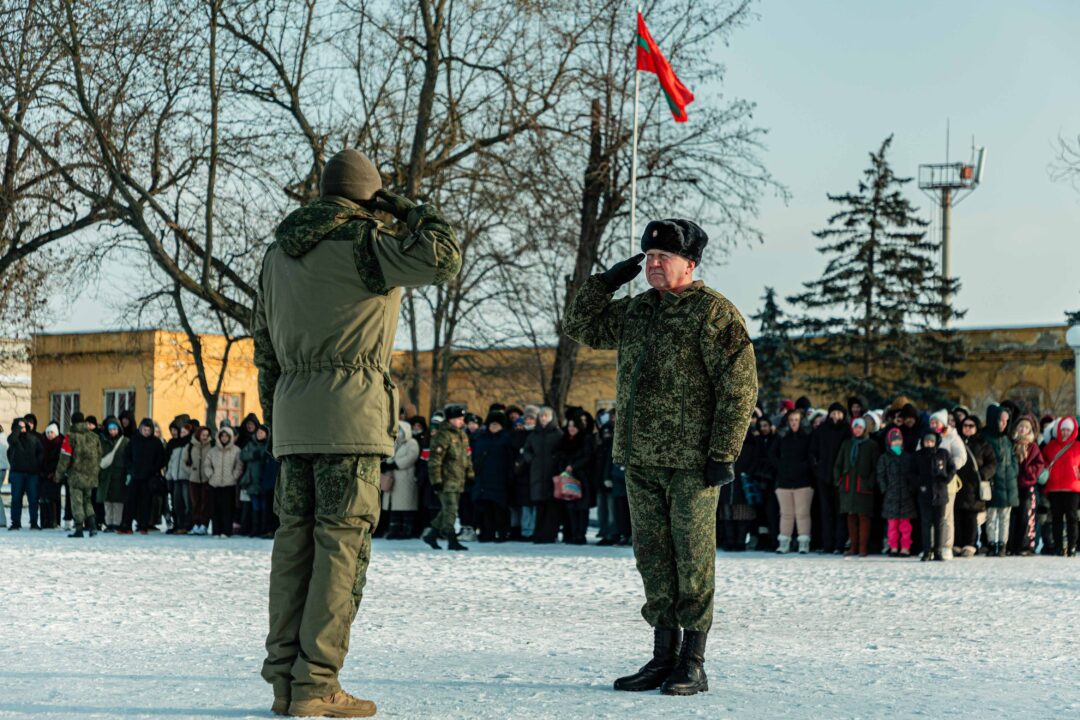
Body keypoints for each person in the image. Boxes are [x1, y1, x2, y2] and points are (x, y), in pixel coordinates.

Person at [254, 147, 461, 718]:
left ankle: (284, 682)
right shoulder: (367, 244)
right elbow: (444, 257)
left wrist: (278, 420)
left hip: (293, 419)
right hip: (352, 419)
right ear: (369, 198)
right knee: (340, 549)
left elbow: (264, 349)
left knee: (293, 546)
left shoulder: (276, 254)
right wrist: (406, 208)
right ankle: (317, 683)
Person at [564, 217, 757, 697]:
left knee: (692, 560)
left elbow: (739, 388)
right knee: (652, 558)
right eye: (649, 257)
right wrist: (605, 282)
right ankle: (662, 656)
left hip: (692, 463)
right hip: (641, 459)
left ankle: (693, 661)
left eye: (663, 257)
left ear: (689, 263)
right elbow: (579, 326)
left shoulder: (713, 314)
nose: (652, 264)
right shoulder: (637, 311)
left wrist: (723, 452)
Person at [422, 406, 473, 551]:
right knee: (451, 509)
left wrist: (470, 474)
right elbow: (435, 460)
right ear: (450, 420)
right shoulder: (442, 436)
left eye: (462, 419)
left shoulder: (462, 436)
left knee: (447, 510)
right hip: (446, 479)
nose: (462, 421)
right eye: (459, 419)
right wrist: (436, 480)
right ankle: (452, 539)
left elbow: (467, 457)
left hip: (458, 479)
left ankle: (432, 535)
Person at [833, 417, 880, 557]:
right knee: (851, 516)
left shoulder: (872, 445)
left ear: (864, 429)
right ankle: (853, 547)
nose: (857, 430)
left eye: (860, 427)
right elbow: (838, 464)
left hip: (863, 486)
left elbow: (876, 467)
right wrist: (839, 480)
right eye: (855, 427)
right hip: (848, 486)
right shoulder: (847, 444)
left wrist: (870, 482)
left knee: (864, 517)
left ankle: (863, 548)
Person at [770, 409, 813, 554]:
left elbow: (811, 456)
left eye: (796, 420)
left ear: (801, 421)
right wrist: (781, 467)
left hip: (803, 481)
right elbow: (772, 454)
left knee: (802, 513)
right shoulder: (781, 436)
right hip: (784, 481)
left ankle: (803, 543)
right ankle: (784, 542)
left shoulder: (808, 436)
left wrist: (803, 467)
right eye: (791, 420)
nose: (794, 423)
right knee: (786, 514)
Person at [809, 403, 850, 554]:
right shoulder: (821, 430)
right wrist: (817, 467)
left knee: (840, 512)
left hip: (841, 477)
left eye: (839, 413)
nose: (836, 416)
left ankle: (839, 544)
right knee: (825, 512)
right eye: (833, 413)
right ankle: (827, 544)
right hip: (823, 476)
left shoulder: (847, 430)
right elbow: (812, 451)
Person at [56, 412, 103, 538]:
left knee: (77, 502)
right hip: (90, 475)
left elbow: (64, 457)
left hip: (75, 475)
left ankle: (79, 529)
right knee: (88, 501)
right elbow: (99, 455)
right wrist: (94, 471)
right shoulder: (94, 437)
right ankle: (92, 526)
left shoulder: (70, 437)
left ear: (72, 422)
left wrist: (59, 474)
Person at [470, 410, 514, 543]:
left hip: (500, 477)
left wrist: (510, 476)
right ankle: (486, 533)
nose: (494, 427)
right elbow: (475, 456)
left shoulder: (507, 439)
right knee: (485, 508)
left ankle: (502, 533)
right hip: (483, 477)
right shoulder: (481, 438)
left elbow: (510, 459)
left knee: (500, 508)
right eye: (492, 424)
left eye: (497, 424)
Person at [955, 415, 995, 558]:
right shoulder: (956, 441)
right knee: (957, 516)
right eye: (965, 425)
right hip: (958, 485)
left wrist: (983, 474)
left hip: (975, 486)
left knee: (971, 518)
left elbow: (992, 463)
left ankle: (970, 545)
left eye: (971, 426)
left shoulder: (983, 444)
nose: (967, 428)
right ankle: (957, 544)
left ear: (976, 427)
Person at [913, 430, 956, 561]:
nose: (929, 443)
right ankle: (927, 551)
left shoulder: (943, 453)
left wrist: (946, 479)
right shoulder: (918, 455)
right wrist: (919, 484)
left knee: (939, 524)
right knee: (925, 524)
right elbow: (911, 473)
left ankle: (938, 551)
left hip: (940, 493)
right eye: (927, 441)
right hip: (924, 493)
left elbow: (952, 468)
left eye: (931, 441)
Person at [522, 407, 562, 544]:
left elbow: (562, 451)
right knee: (539, 506)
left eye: (546, 416)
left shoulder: (558, 434)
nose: (543, 418)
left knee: (551, 507)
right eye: (541, 416)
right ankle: (538, 534)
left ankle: (550, 534)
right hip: (537, 474)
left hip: (552, 474)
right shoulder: (534, 435)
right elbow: (526, 450)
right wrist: (531, 459)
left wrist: (555, 459)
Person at [982, 404, 1018, 557]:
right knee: (990, 516)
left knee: (1004, 517)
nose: (1004, 424)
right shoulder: (986, 438)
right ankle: (991, 543)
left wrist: (1013, 471)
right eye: (1001, 420)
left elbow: (1013, 458)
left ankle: (1002, 544)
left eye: (1006, 421)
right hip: (993, 482)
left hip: (1008, 483)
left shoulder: (1006, 440)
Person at [1041, 416, 1080, 556]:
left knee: (1072, 518)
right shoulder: (1050, 446)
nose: (1065, 432)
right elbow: (1043, 461)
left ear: (1073, 431)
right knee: (1056, 518)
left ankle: (1072, 546)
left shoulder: (1078, 446)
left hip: (1072, 487)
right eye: (1063, 429)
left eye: (1068, 430)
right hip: (1054, 487)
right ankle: (1058, 546)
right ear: (1058, 430)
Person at [1007, 414, 1045, 556]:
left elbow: (1039, 464)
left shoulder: (1033, 446)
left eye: (1026, 427)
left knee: (1027, 516)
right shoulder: (1011, 443)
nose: (1023, 429)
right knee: (1012, 516)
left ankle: (1026, 545)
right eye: (1021, 426)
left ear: (1030, 430)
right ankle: (1011, 545)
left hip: (1027, 485)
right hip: (1012, 485)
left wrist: (1028, 471)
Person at [122, 419, 166, 534]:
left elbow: (161, 459)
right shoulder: (134, 440)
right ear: (141, 429)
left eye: (148, 430)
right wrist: (131, 468)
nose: (146, 432)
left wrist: (153, 470)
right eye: (144, 430)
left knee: (145, 502)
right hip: (135, 475)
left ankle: (143, 525)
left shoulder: (156, 442)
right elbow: (127, 456)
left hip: (149, 477)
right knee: (130, 501)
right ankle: (127, 525)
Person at [876, 428, 916, 557]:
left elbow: (912, 474)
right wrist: (885, 489)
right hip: (891, 496)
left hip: (906, 496)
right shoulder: (884, 458)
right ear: (889, 442)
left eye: (899, 439)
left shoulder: (907, 457)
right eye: (894, 440)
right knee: (892, 525)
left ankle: (905, 547)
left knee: (905, 525)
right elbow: (880, 475)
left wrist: (911, 488)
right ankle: (893, 547)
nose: (897, 442)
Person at [380, 421, 420, 540]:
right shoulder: (394, 443)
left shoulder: (412, 443)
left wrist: (395, 464)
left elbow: (411, 457)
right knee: (394, 506)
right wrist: (386, 464)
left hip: (405, 478)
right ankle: (394, 530)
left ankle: (406, 530)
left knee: (406, 506)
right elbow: (388, 455)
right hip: (393, 478)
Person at [204, 425, 242, 536]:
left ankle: (226, 531)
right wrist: (211, 475)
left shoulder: (236, 450)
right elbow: (207, 465)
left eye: (226, 436)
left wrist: (234, 476)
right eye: (222, 436)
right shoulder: (213, 451)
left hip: (229, 484)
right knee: (215, 508)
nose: (224, 438)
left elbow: (239, 465)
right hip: (214, 484)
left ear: (230, 437)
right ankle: (216, 531)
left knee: (228, 509)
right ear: (219, 437)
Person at [8, 417, 43, 530]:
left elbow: (41, 452)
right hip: (17, 473)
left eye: (23, 427)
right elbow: (12, 440)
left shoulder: (34, 438)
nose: (22, 429)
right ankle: (15, 522)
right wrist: (17, 428)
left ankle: (34, 522)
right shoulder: (13, 438)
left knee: (33, 499)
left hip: (32, 474)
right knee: (16, 499)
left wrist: (36, 464)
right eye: (19, 427)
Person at [97, 417, 129, 532]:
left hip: (119, 475)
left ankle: (117, 523)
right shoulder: (103, 442)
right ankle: (109, 523)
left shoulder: (125, 442)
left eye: (115, 429)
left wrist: (128, 473)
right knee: (107, 500)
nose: (112, 431)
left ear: (119, 429)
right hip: (105, 475)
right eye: (110, 429)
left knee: (117, 501)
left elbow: (128, 458)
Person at [240, 425, 271, 537]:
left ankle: (264, 529)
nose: (259, 435)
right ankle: (255, 529)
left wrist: (262, 454)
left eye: (262, 433)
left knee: (264, 506)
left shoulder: (268, 445)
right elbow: (242, 455)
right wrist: (253, 454)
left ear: (266, 434)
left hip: (264, 480)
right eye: (258, 433)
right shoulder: (251, 444)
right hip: (252, 480)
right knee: (255, 506)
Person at [164, 421, 193, 534]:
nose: (182, 434)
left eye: (185, 432)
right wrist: (168, 475)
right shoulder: (175, 445)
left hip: (186, 478)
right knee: (176, 503)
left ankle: (187, 525)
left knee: (187, 503)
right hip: (175, 478)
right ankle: (178, 524)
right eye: (181, 432)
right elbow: (171, 462)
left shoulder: (191, 445)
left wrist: (189, 472)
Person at [186, 426, 214, 535]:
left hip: (207, 479)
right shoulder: (191, 445)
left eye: (207, 435)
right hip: (194, 479)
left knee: (205, 503)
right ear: (198, 435)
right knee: (195, 503)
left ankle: (204, 524)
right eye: (203, 435)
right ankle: (195, 524)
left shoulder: (211, 445)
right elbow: (185, 460)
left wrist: (210, 473)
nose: (205, 437)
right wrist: (190, 471)